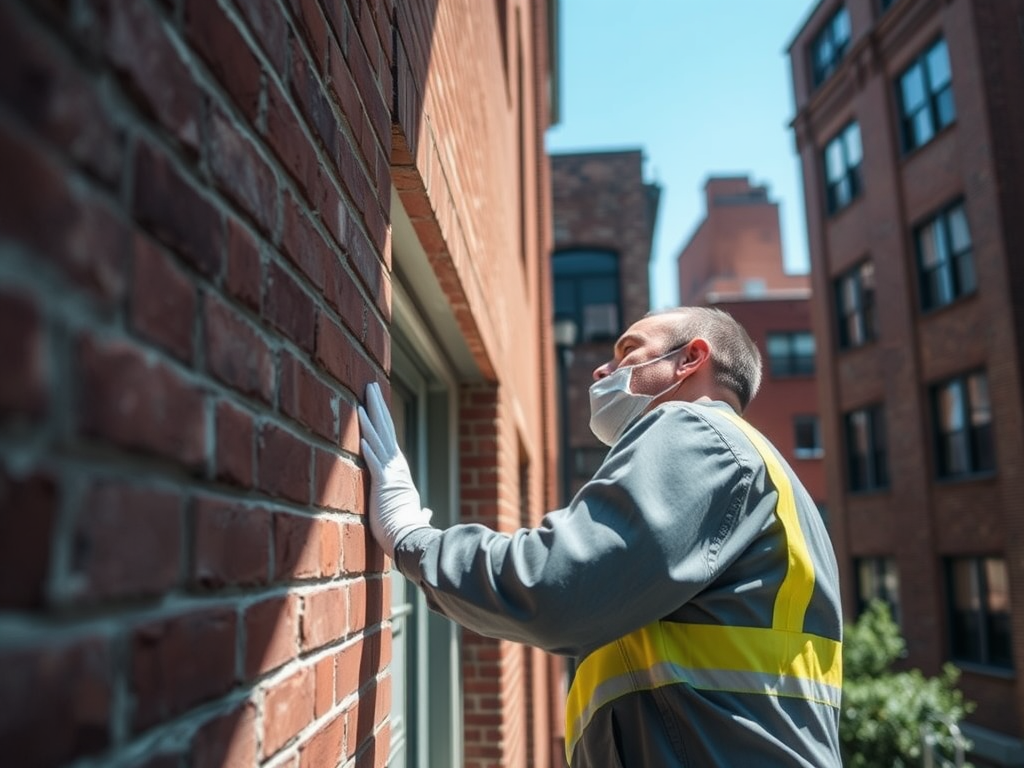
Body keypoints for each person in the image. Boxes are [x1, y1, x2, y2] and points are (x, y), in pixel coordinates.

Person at [358, 306, 843, 767]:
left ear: (690, 359)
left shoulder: (696, 429)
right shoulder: (766, 472)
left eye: (627, 350)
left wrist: (412, 537)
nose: (601, 371)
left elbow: (555, 584)